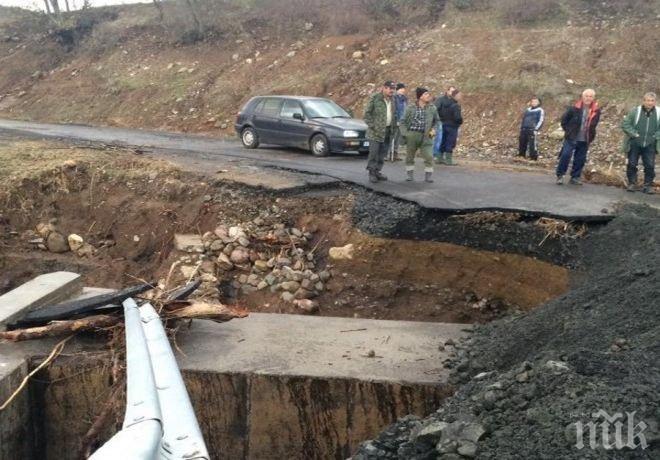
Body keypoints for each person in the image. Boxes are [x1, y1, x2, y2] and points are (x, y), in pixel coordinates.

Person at [555, 89, 601, 186]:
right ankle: (560, 175)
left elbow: (594, 124)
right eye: (586, 96)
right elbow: (564, 121)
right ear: (582, 97)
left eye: (591, 96)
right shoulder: (573, 108)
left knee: (580, 159)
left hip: (585, 138)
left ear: (593, 98)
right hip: (571, 137)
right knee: (566, 155)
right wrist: (568, 131)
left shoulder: (596, 110)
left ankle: (575, 177)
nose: (588, 98)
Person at [621, 92, 659, 194]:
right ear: (643, 101)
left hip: (650, 144)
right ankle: (632, 183)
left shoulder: (658, 112)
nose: (650, 103)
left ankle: (648, 186)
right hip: (635, 143)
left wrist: (656, 136)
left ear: (655, 102)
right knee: (632, 164)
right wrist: (634, 134)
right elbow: (625, 124)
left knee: (650, 165)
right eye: (647, 100)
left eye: (652, 101)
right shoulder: (635, 111)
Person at [400, 87, 439, 183]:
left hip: (427, 135)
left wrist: (434, 129)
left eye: (428, 94)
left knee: (429, 156)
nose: (428, 96)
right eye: (426, 94)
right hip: (412, 134)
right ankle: (410, 175)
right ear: (420, 97)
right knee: (410, 156)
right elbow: (403, 121)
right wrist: (406, 134)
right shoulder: (410, 108)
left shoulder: (432, 108)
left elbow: (437, 121)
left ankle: (428, 176)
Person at [364, 80, 397, 183]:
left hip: (387, 130)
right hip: (375, 132)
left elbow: (393, 115)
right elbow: (367, 114)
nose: (392, 91)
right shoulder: (375, 98)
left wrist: (393, 127)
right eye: (390, 88)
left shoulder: (392, 100)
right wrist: (373, 126)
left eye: (393, 89)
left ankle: (377, 171)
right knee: (374, 153)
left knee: (382, 153)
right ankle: (371, 173)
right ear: (384, 88)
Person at [438, 89, 463, 165]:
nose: (461, 97)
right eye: (459, 95)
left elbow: (440, 113)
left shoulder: (444, 103)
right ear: (455, 96)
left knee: (443, 141)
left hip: (444, 124)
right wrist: (460, 121)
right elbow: (457, 117)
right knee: (450, 142)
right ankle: (448, 160)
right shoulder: (455, 105)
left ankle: (440, 158)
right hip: (452, 126)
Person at [433, 86, 456, 163]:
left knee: (450, 141)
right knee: (440, 140)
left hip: (451, 124)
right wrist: (438, 120)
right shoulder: (440, 100)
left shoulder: (454, 101)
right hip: (441, 123)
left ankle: (448, 159)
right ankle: (439, 158)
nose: (452, 93)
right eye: (451, 91)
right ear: (447, 91)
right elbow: (435, 110)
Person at [389, 83, 408, 162]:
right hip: (395, 120)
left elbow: (405, 109)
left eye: (403, 89)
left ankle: (395, 153)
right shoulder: (393, 98)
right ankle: (389, 153)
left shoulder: (404, 98)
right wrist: (396, 119)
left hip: (402, 120)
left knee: (398, 138)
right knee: (392, 137)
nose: (403, 90)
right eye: (401, 89)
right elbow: (394, 110)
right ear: (397, 90)